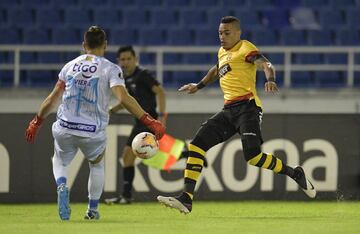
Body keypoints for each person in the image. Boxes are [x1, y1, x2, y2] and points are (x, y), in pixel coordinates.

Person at [157, 16, 316, 214]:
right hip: (228, 110)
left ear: (238, 33)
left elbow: (266, 65)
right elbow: (216, 70)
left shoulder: (245, 48)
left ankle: (295, 173)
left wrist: (271, 79)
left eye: (227, 33)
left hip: (248, 107)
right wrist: (198, 86)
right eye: (220, 33)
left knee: (253, 157)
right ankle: (186, 199)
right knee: (197, 145)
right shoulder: (222, 52)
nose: (222, 37)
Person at [24, 26, 165, 221]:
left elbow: (52, 99)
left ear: (84, 45)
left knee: (60, 160)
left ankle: (63, 185)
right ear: (105, 45)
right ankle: (92, 210)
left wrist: (36, 121)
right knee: (97, 165)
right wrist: (149, 120)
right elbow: (123, 98)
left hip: (65, 126)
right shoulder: (110, 69)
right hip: (92, 131)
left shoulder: (70, 66)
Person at [104, 46, 167, 205]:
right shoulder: (124, 78)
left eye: (128, 59)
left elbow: (160, 91)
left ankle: (126, 196)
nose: (125, 62)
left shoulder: (142, 75)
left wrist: (161, 115)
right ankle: (126, 196)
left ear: (135, 59)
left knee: (132, 155)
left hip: (149, 120)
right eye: (122, 59)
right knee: (129, 156)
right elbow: (128, 100)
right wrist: (112, 110)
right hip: (139, 122)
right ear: (118, 61)